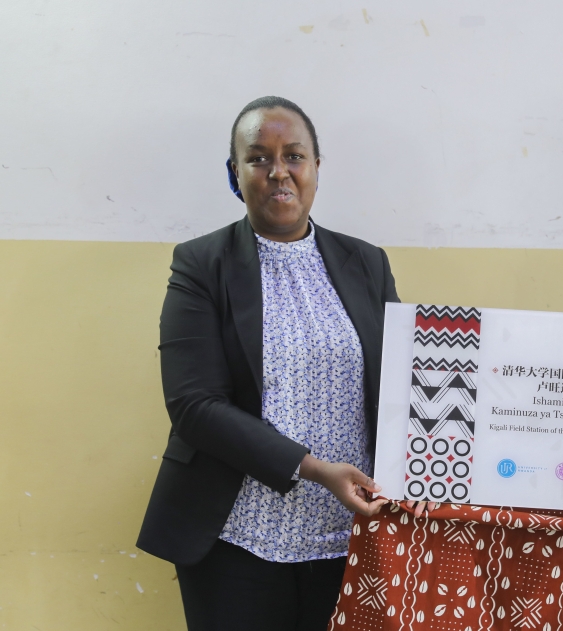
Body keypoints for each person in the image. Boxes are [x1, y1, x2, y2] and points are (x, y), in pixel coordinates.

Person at [137, 96, 398, 631]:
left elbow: (403, 386)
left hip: (350, 537)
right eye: (258, 158)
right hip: (236, 541)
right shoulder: (201, 264)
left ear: (316, 168)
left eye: (294, 156)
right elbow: (193, 405)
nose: (279, 172)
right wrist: (315, 469)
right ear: (235, 173)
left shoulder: (367, 263)